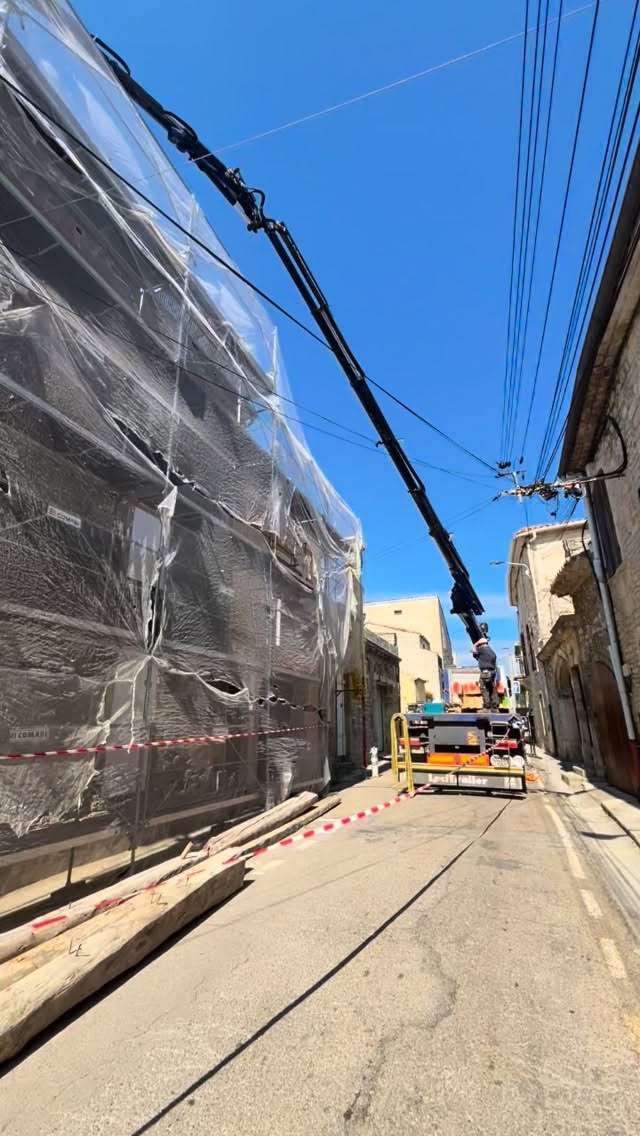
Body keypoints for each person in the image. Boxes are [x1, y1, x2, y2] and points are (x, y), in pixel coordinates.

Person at [472, 637, 499, 711]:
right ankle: (495, 706)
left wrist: (476, 644)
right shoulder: (492, 652)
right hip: (492, 672)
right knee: (491, 688)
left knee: (484, 688)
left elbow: (472, 650)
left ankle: (487, 706)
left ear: (481, 644)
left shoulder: (482, 649)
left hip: (485, 672)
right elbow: (480, 658)